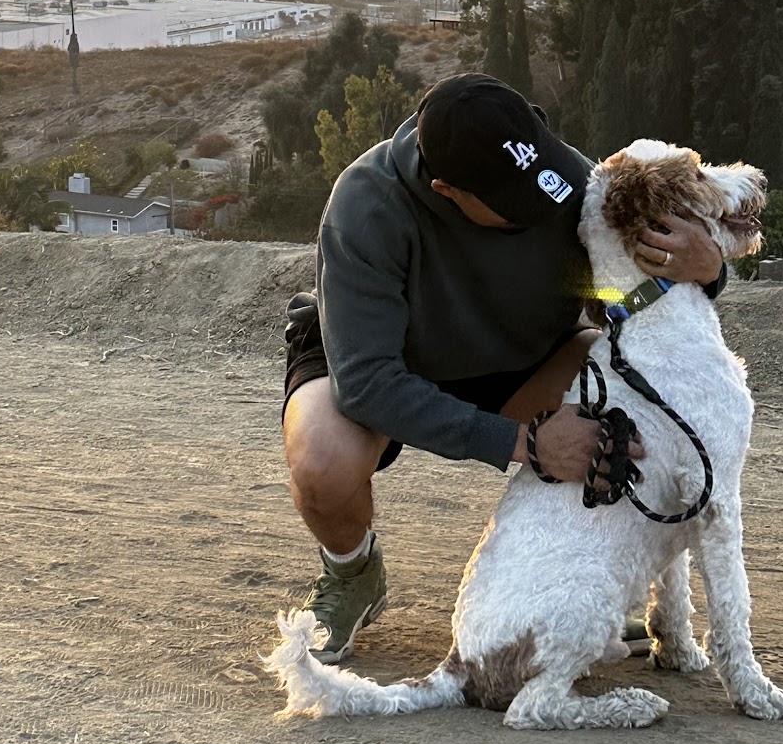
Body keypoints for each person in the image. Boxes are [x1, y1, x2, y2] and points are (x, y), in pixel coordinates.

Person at [282, 72, 727, 662]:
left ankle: (580, 582)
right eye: (512, 205)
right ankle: (352, 573)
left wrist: (703, 268)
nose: (540, 207)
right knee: (323, 464)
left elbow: (619, 303)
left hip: (522, 353)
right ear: (446, 190)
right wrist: (526, 443)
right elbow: (368, 384)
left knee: (626, 420)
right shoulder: (365, 205)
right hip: (380, 360)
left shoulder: (567, 178)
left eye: (539, 184)